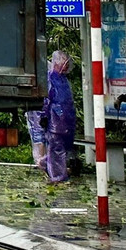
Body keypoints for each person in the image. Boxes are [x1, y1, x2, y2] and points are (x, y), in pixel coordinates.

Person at [40, 49, 76, 184]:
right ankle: (58, 176)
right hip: (55, 119)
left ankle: (45, 163)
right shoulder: (50, 79)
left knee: (61, 147)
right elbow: (46, 99)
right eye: (63, 62)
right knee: (56, 146)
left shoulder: (63, 80)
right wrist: (44, 115)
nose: (66, 66)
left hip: (66, 119)